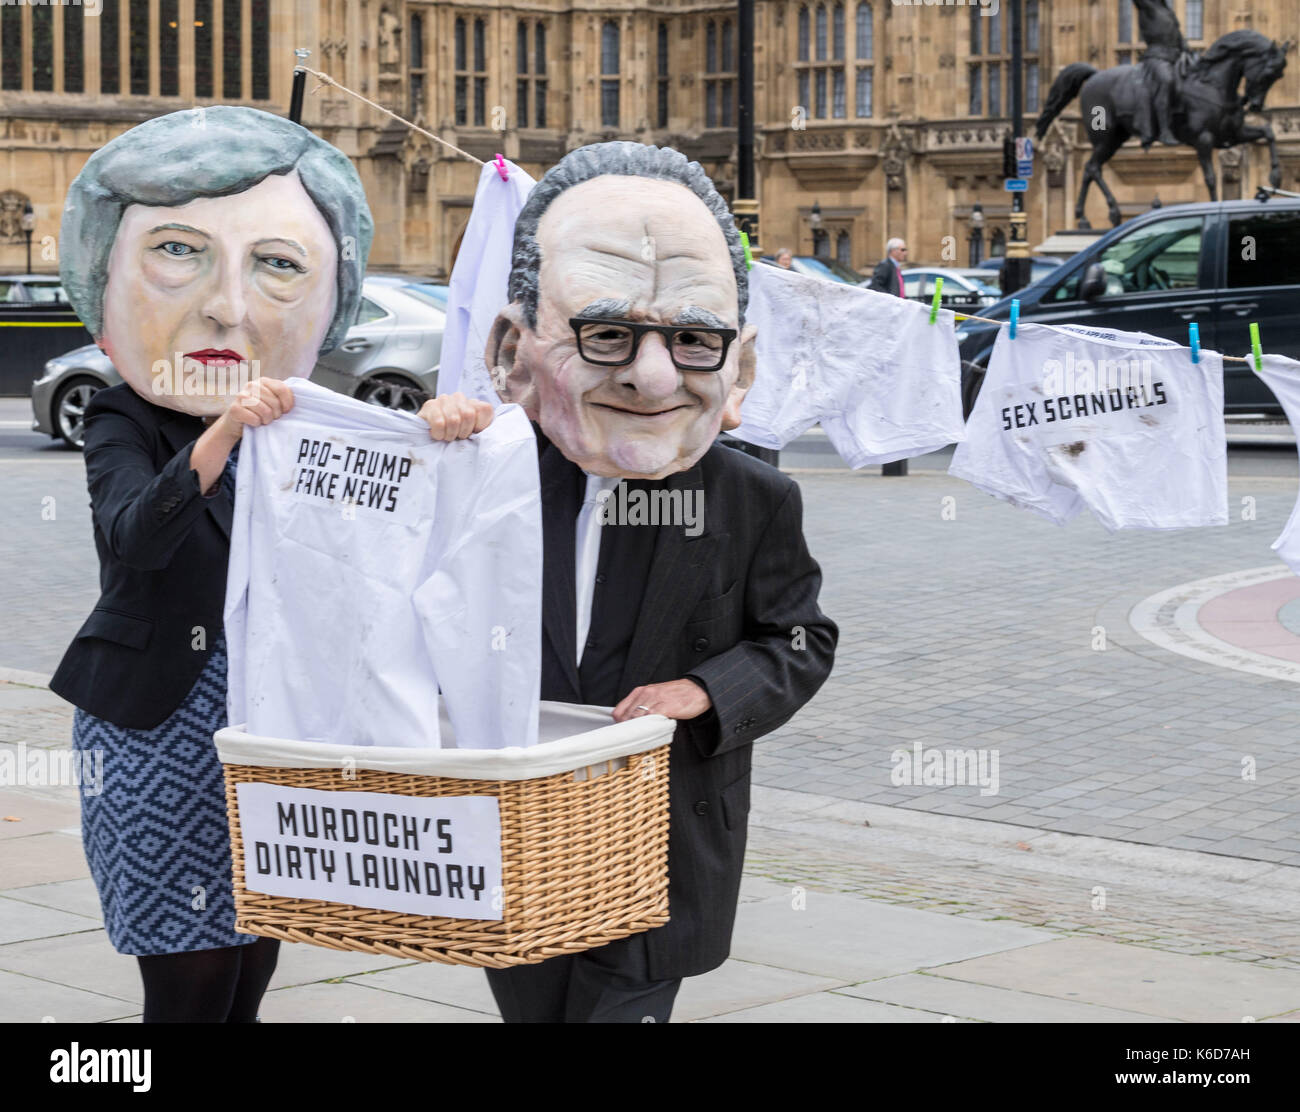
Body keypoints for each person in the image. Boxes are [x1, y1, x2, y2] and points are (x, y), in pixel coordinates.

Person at [419, 141, 837, 1023]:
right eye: (607, 334)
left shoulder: (754, 497)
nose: (653, 377)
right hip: (520, 837)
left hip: (662, 840)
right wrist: (430, 451)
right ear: (513, 352)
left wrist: (703, 690)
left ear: (739, 371)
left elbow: (800, 638)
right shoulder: (479, 474)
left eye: (693, 340)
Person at [49, 106, 373, 1022]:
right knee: (186, 986)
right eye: (180, 252)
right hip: (155, 731)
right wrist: (227, 427)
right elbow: (134, 539)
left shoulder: (316, 421)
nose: (229, 303)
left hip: (275, 731)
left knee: (247, 975)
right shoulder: (123, 417)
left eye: (277, 264)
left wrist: (450, 434)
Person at [1132, 0, 1189, 148]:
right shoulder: (1147, 6)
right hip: (1157, 57)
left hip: (1176, 58)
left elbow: (1178, 36)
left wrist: (1185, 49)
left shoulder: (1167, 11)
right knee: (1167, 80)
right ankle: (1164, 131)